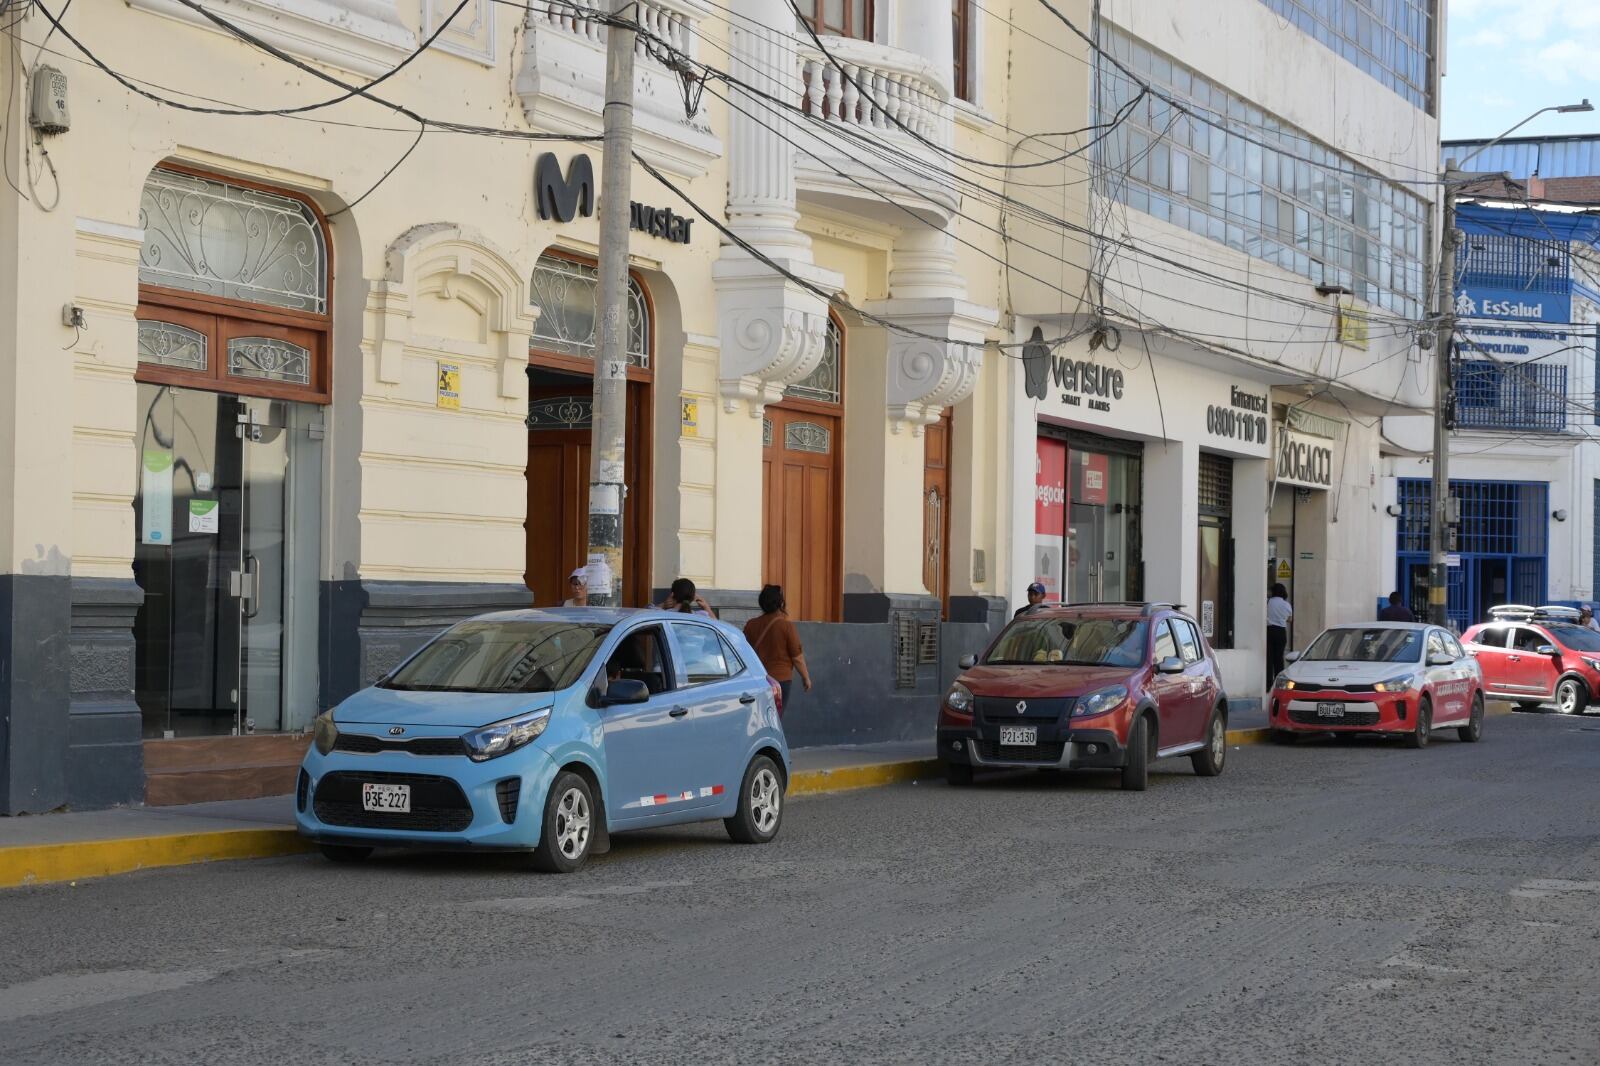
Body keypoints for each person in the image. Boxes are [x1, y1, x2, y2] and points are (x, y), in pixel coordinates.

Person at [744, 584, 812, 707]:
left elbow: (743, 652)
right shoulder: (786, 626)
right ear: (781, 603)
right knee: (775, 719)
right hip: (780, 682)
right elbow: (797, 658)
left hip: (757, 681)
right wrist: (805, 677)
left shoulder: (750, 625)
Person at [1266, 583, 1293, 687]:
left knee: (1269, 658)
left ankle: (1268, 684)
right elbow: (1290, 619)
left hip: (1269, 631)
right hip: (1281, 632)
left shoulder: (1268, 602)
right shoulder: (1286, 605)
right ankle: (1279, 684)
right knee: (1279, 658)